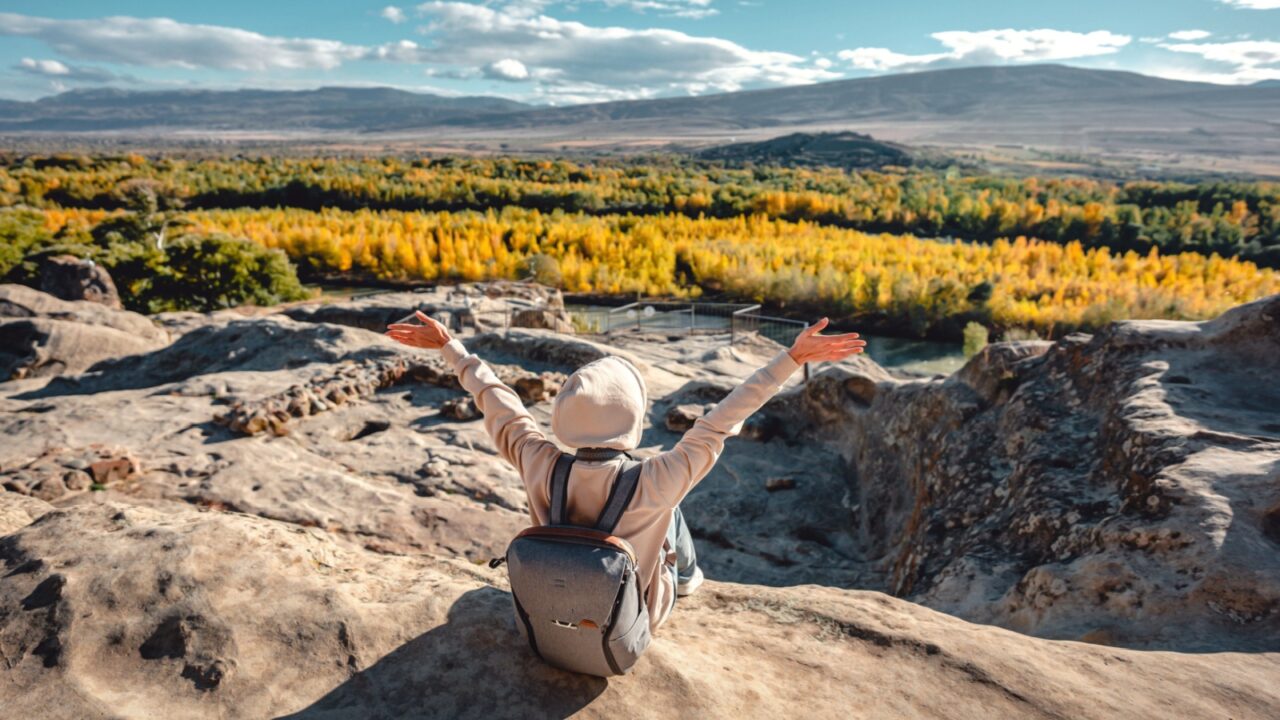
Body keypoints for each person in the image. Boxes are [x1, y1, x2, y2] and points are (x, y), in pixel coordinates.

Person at [386, 311, 865, 634]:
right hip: (627, 624)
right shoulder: (657, 478)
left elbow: (497, 400)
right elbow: (722, 418)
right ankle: (690, 579)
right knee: (669, 511)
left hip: (547, 616)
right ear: (632, 418)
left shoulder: (536, 458)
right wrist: (792, 359)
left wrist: (451, 347)